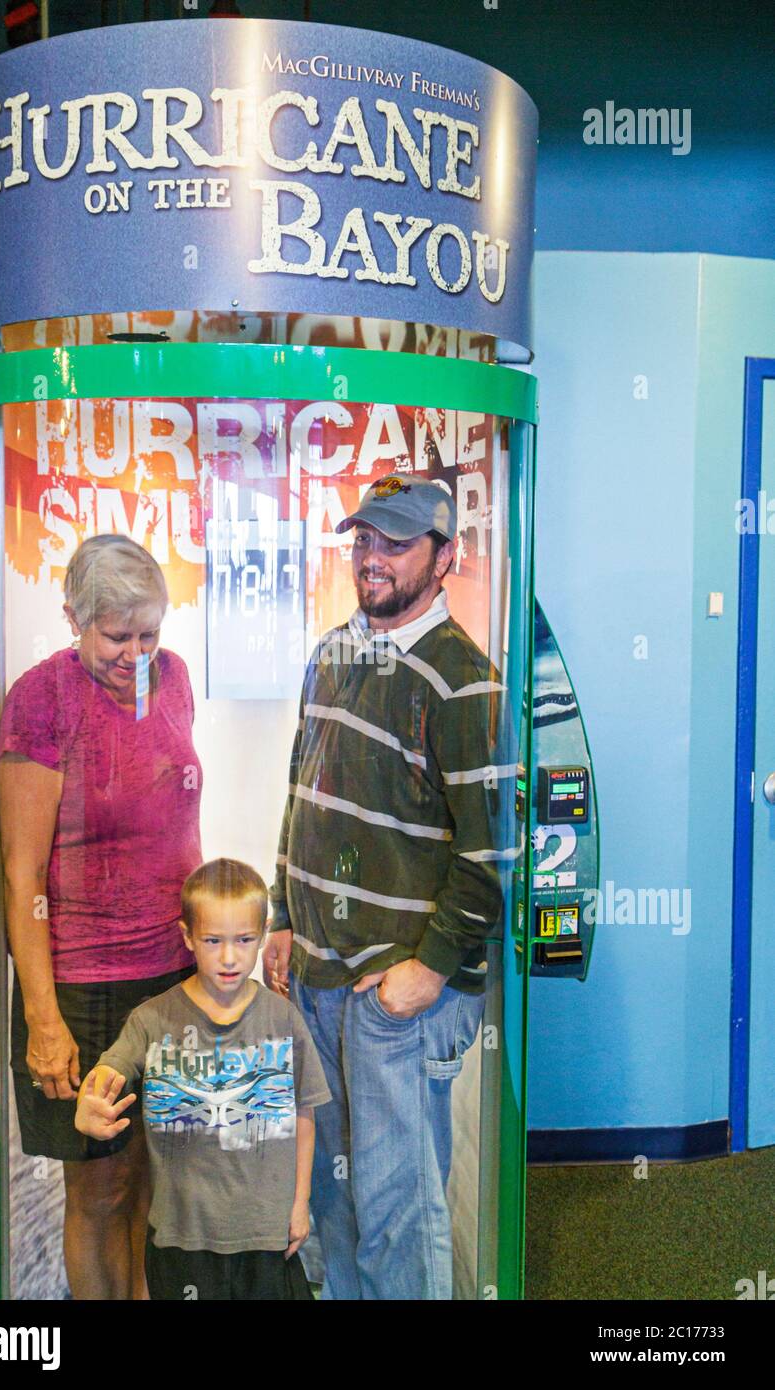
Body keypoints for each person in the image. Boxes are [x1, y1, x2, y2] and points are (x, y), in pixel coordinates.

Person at [263, 473, 506, 1301]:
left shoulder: (464, 682)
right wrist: (280, 915)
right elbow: (304, 791)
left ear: (446, 558)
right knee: (331, 1196)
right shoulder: (332, 652)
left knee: (400, 1214)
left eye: (396, 542)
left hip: (398, 999)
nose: (372, 557)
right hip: (318, 979)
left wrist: (427, 973)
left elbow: (494, 857)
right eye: (364, 538)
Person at [0, 534, 202, 1300]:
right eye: (118, 636)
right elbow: (22, 877)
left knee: (152, 1180)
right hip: (82, 985)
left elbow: (178, 817)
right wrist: (44, 1021)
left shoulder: (174, 678)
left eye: (149, 633)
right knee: (98, 1188)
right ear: (73, 619)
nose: (137, 653)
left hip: (172, 976)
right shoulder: (41, 698)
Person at [75, 858, 331, 1301]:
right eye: (213, 940)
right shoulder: (152, 1019)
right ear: (187, 936)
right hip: (182, 1241)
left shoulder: (283, 1018)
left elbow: (303, 1111)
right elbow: (111, 1069)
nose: (229, 957)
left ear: (263, 934)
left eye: (244, 940)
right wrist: (89, 1101)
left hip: (267, 1239)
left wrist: (299, 1203)